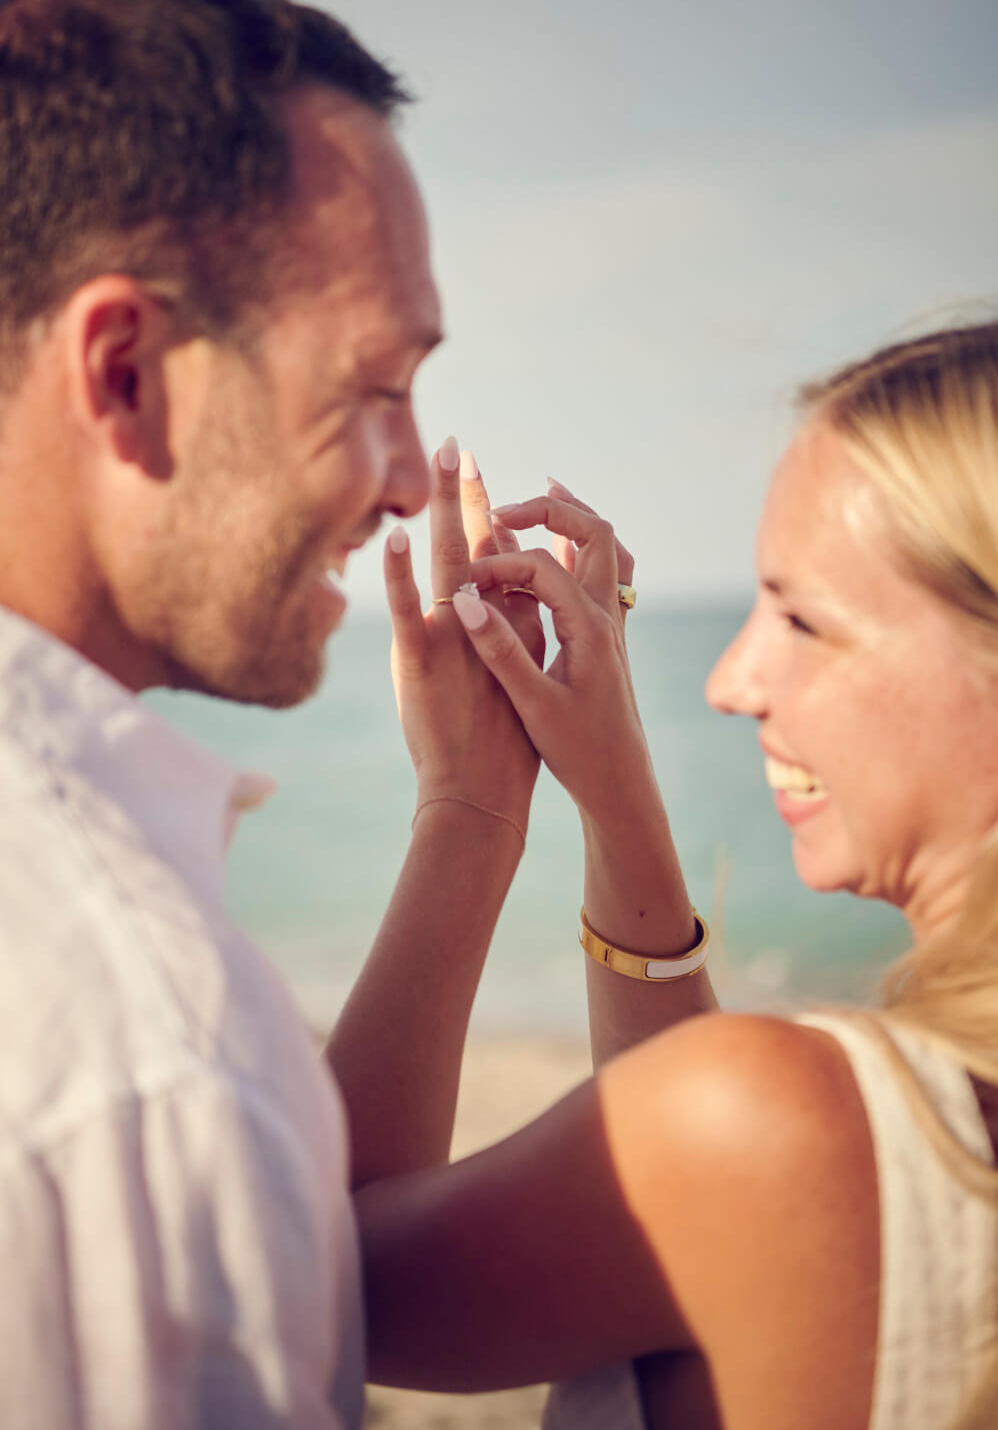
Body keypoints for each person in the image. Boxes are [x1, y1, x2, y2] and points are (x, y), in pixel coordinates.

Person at [353, 322, 998, 1430]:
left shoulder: (795, 1126)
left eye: (800, 618)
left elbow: (309, 1267)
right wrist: (617, 800)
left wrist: (468, 811)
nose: (730, 681)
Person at [0, 0, 461, 1428]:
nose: (409, 483)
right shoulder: (145, 1050)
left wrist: (469, 813)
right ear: (126, 373)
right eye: (374, 387)